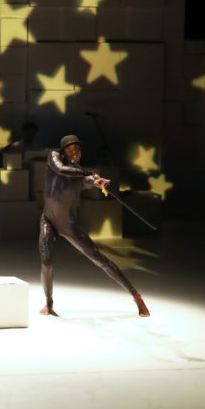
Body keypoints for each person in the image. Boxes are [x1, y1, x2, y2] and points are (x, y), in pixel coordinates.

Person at [39, 134, 150, 317]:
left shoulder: (80, 176)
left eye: (77, 149)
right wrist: (89, 174)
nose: (75, 152)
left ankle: (136, 296)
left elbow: (88, 181)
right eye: (70, 149)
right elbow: (62, 169)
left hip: (67, 224)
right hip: (48, 220)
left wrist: (97, 182)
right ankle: (48, 303)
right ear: (63, 152)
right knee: (46, 261)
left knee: (99, 259)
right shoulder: (54, 158)